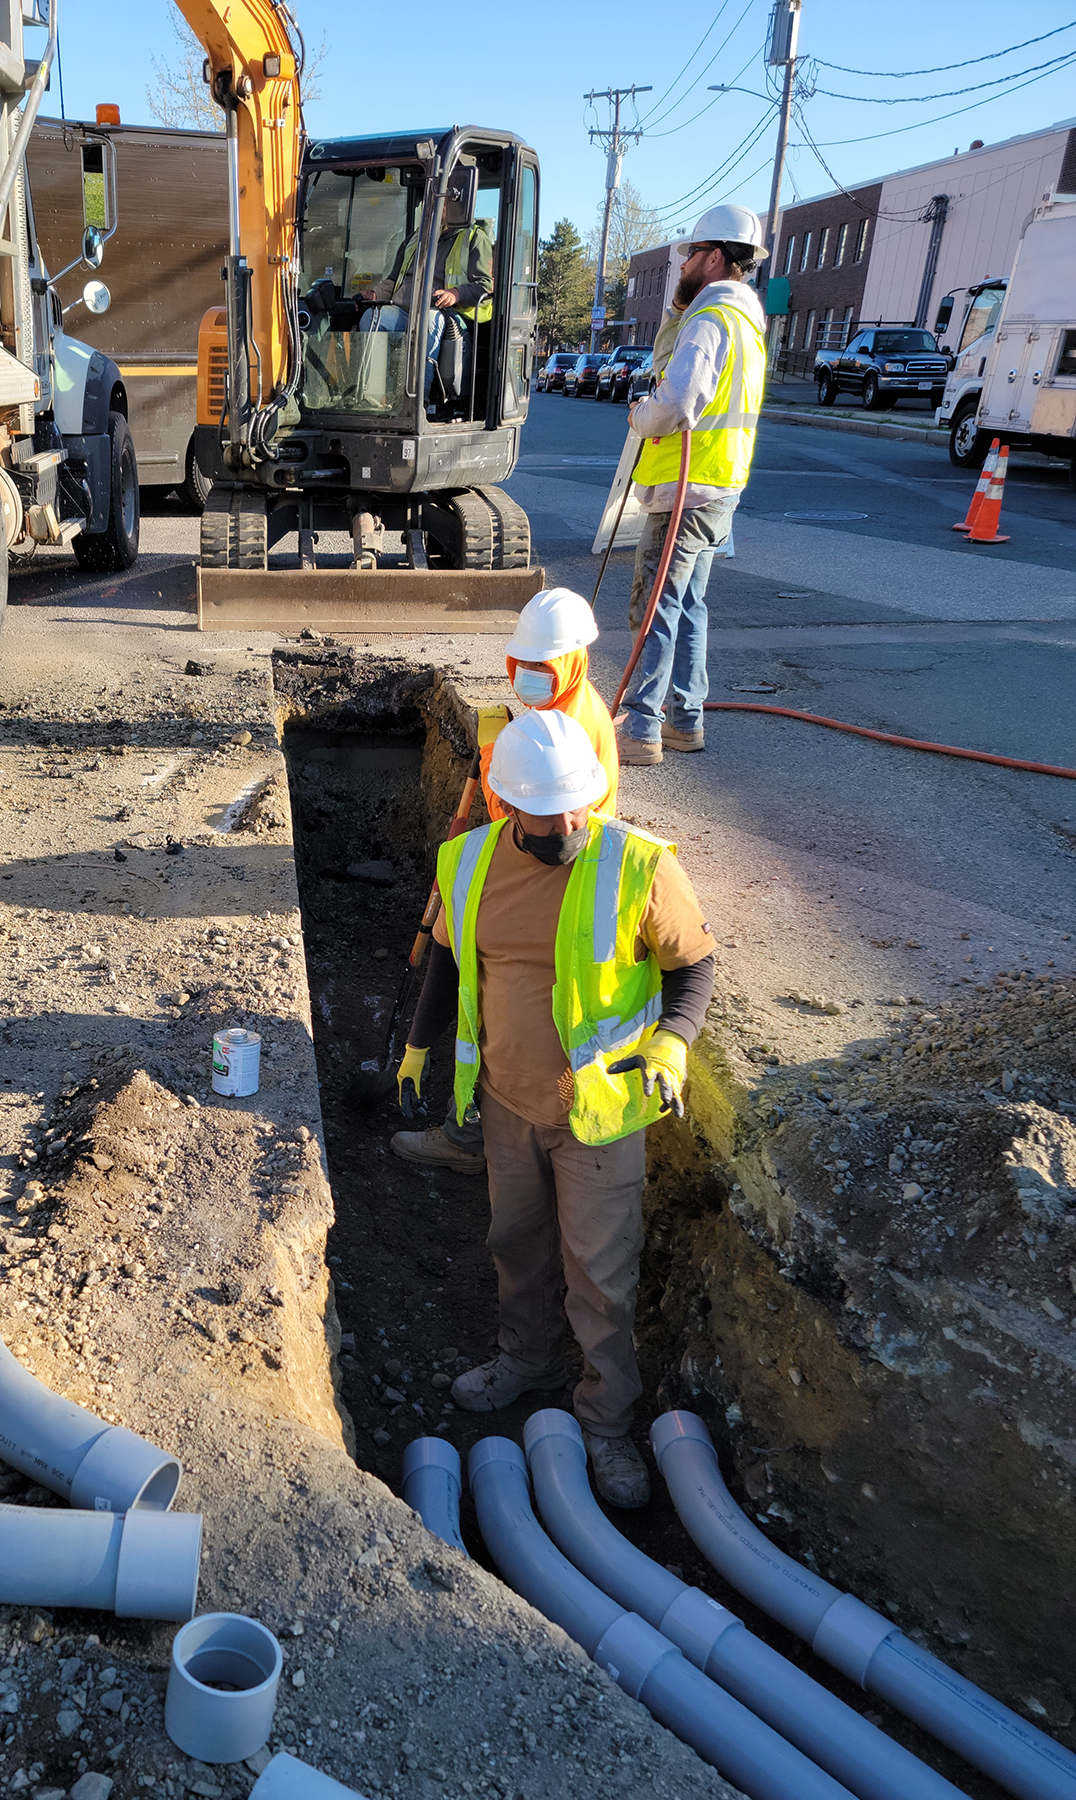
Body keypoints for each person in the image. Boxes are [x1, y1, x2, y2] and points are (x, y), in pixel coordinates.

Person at [392, 710, 717, 1508]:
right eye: (549, 815)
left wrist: (673, 1042)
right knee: (515, 1244)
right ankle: (526, 1360)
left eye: (580, 808)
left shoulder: (637, 864)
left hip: (598, 1115)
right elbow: (448, 962)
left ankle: (606, 1420)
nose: (570, 826)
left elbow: (694, 966)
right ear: (508, 805)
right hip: (507, 1103)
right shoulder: (470, 862)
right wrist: (419, 1047)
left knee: (601, 1274)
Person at [391, 587, 619, 1176]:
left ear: (571, 661)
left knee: (495, 1006)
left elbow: (519, 817)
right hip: (547, 868)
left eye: (543, 665)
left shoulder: (572, 725)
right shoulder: (570, 704)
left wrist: (496, 756)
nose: (529, 676)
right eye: (524, 663)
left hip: (549, 876)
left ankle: (468, 1137)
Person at [617, 201, 769, 766]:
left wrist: (641, 415)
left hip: (685, 489)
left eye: (691, 253)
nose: (682, 264)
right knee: (688, 605)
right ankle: (686, 720)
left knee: (655, 607)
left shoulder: (709, 321)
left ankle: (641, 727)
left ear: (715, 257)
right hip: (719, 487)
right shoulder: (745, 323)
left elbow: (677, 403)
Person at [360, 170, 494, 408]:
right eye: (429, 201)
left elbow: (485, 285)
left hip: (444, 312)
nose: (431, 207)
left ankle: (416, 400)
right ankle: (374, 396)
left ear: (455, 205)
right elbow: (394, 279)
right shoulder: (415, 239)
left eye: (440, 202)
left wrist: (456, 294)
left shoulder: (474, 238)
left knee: (428, 320)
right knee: (372, 317)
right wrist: (376, 294)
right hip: (405, 310)